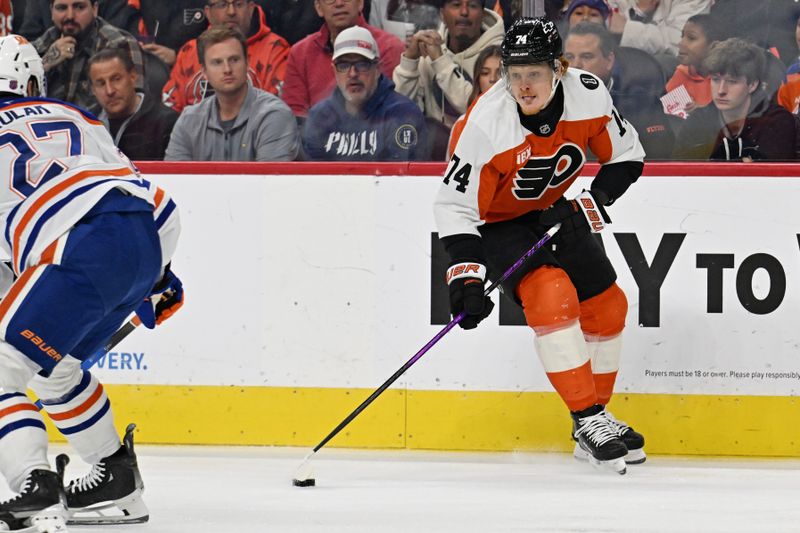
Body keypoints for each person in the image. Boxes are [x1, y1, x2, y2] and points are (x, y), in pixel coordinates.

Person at [434, 17, 646, 474]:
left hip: (552, 210)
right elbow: (454, 207)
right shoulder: (485, 126)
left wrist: (589, 205)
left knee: (609, 305)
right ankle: (586, 416)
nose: (523, 85)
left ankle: (595, 421)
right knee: (551, 294)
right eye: (514, 73)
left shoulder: (588, 93)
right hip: (494, 225)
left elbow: (628, 156)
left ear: (559, 68)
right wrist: (465, 278)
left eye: (534, 72)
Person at [0, 35, 183, 531]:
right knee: (50, 367)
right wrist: (158, 276)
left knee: (1, 367)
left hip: (74, 245)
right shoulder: (77, 117)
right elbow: (155, 201)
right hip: (142, 233)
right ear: (32, 83)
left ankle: (33, 488)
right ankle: (114, 479)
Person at [166, 26, 299, 161]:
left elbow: (269, 181)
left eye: (234, 60)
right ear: (204, 72)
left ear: (247, 63)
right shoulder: (189, 120)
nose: (227, 69)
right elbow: (174, 179)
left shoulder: (273, 115)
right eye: (217, 62)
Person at [303, 25, 427, 161]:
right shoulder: (319, 117)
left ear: (378, 68)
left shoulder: (402, 113)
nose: (353, 74)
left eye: (362, 64)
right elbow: (312, 179)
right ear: (334, 70)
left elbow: (398, 178)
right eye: (343, 66)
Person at [673, 38, 797, 161]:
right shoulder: (698, 121)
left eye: (732, 81)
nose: (721, 90)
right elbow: (681, 173)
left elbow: (768, 176)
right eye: (715, 80)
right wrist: (742, 163)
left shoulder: (776, 121)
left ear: (752, 85)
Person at [565, 22, 674, 158]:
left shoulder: (640, 104)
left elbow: (658, 155)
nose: (576, 65)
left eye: (587, 57)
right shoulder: (547, 100)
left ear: (609, 61)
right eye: (569, 57)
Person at [282, 0, 404, 120]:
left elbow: (391, 108)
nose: (339, 3)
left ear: (360, 3)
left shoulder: (390, 47)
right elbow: (295, 116)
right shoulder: (300, 52)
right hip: (314, 136)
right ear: (318, 7)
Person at [162, 0, 289, 113]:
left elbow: (275, 110)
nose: (231, 11)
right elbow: (170, 109)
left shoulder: (275, 48)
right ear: (208, 13)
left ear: (251, 8)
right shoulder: (190, 50)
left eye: (238, 4)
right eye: (222, 4)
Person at [392, 0, 504, 128]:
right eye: (456, 5)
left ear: (483, 14)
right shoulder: (429, 51)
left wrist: (440, 61)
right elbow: (400, 113)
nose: (464, 12)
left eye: (472, 6)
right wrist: (410, 61)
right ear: (442, 15)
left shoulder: (500, 55)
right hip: (434, 145)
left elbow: (482, 111)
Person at [31, 0, 145, 115]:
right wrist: (45, 64)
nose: (70, 16)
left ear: (95, 9)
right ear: (51, 11)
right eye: (61, 8)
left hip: (99, 129)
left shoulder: (119, 45)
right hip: (45, 127)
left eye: (79, 7)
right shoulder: (48, 39)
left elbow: (134, 112)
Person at [89, 47, 178, 160]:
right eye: (101, 84)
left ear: (133, 77)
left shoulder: (166, 122)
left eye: (116, 79)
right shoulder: (85, 124)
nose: (110, 90)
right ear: (93, 90)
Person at [446, 44, 501, 158]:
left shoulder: (527, 122)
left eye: (500, 72)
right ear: (478, 80)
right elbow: (450, 172)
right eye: (485, 73)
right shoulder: (463, 124)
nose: (492, 79)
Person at [607, 0, 711, 57]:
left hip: (673, 64)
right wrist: (638, 13)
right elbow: (607, 24)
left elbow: (682, 42)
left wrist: (628, 29)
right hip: (619, 53)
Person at [664, 14, 720, 111]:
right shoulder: (681, 74)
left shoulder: (723, 78)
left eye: (691, 38)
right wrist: (684, 109)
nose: (680, 43)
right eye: (682, 36)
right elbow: (668, 111)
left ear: (713, 46)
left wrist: (699, 108)